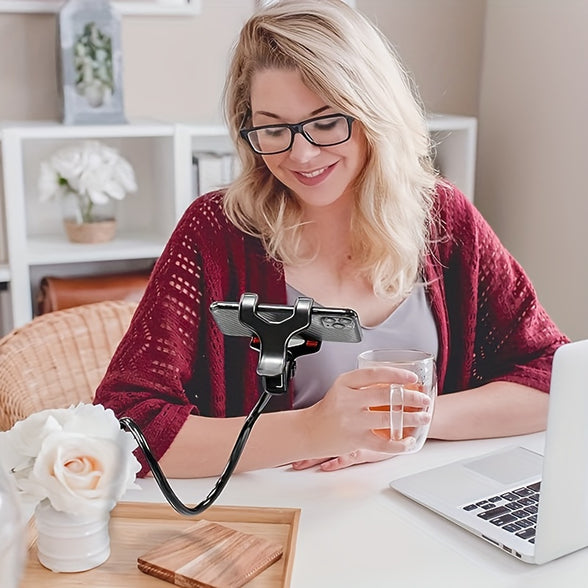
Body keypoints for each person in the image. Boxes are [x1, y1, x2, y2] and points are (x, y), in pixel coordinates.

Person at [94, 0, 568, 478]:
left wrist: (402, 424)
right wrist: (313, 429)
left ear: (373, 112)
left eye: (326, 122)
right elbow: (123, 427)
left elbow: (553, 378)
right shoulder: (216, 231)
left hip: (414, 511)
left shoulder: (444, 220)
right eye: (274, 128)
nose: (301, 154)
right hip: (271, 521)